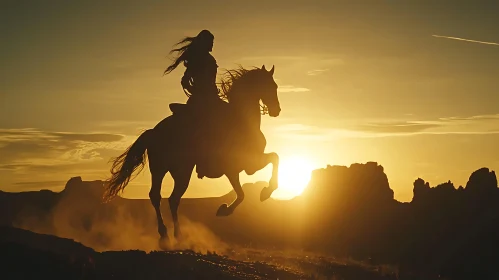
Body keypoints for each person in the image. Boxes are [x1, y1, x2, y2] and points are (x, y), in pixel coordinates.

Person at [164, 30, 225, 178]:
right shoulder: (198, 60)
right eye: (210, 42)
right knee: (209, 126)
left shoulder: (208, 58)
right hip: (201, 101)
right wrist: (197, 90)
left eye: (213, 42)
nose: (212, 44)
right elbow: (185, 81)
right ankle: (203, 162)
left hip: (211, 98)